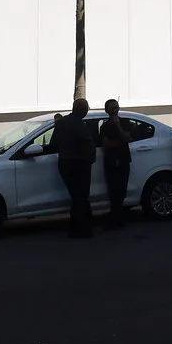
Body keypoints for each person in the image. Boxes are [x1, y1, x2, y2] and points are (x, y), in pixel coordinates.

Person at [52, 97, 97, 239]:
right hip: (79, 163)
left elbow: (54, 142)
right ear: (83, 110)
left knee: (77, 197)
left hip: (65, 162)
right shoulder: (79, 125)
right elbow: (88, 142)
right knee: (81, 197)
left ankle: (77, 228)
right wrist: (90, 159)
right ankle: (82, 229)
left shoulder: (62, 123)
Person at [98, 98, 132, 228]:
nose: (114, 109)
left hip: (123, 160)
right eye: (111, 107)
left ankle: (118, 217)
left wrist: (118, 125)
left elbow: (128, 137)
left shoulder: (125, 122)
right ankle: (115, 218)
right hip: (111, 161)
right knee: (113, 190)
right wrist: (121, 141)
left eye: (116, 107)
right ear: (106, 110)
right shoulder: (105, 126)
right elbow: (106, 144)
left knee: (122, 188)